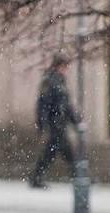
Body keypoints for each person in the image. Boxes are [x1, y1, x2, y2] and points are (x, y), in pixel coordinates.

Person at [30, 53, 82, 189]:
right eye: (64, 66)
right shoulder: (49, 81)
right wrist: (42, 124)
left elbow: (66, 105)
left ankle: (77, 175)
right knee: (59, 151)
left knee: (55, 151)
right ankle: (78, 176)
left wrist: (75, 121)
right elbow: (43, 105)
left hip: (60, 122)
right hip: (54, 123)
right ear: (58, 66)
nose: (66, 69)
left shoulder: (60, 81)